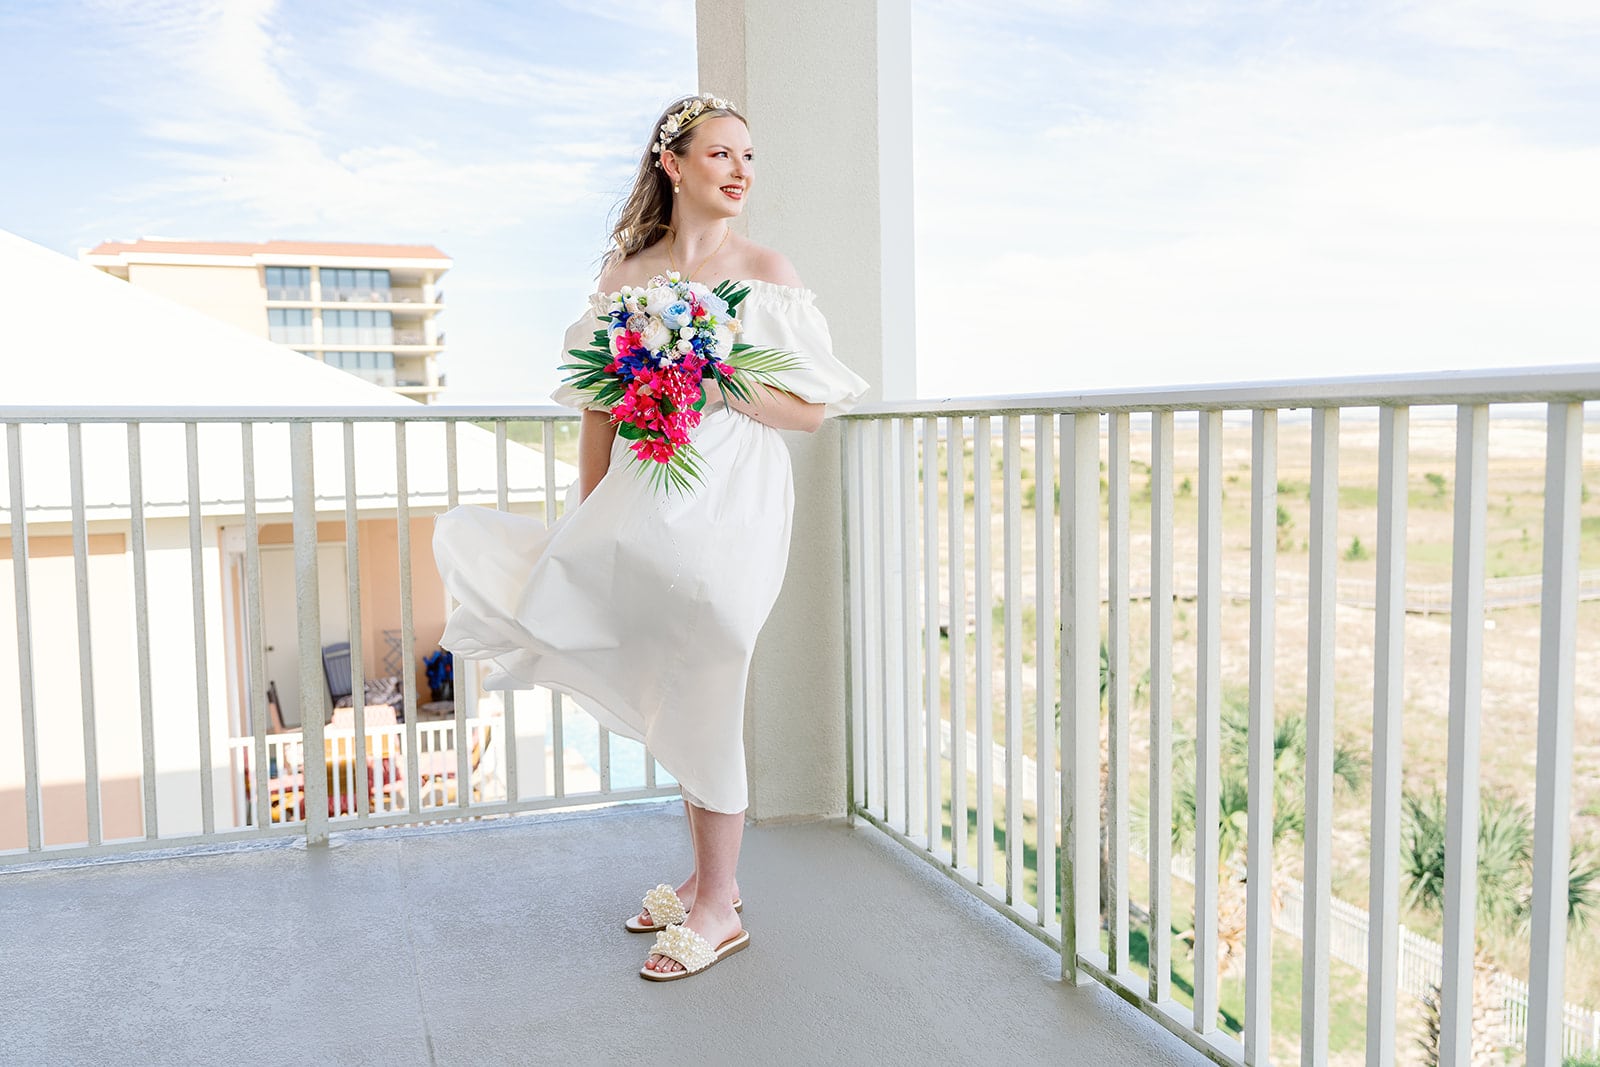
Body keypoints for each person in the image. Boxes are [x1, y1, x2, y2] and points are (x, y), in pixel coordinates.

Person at [431, 92, 870, 982]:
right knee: (672, 664)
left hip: (734, 499)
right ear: (673, 165)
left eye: (749, 156)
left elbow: (813, 411)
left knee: (711, 660)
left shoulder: (765, 269)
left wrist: (715, 381)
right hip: (645, 492)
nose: (742, 170)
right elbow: (600, 404)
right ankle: (716, 880)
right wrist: (589, 507)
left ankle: (719, 902)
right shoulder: (629, 277)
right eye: (720, 154)